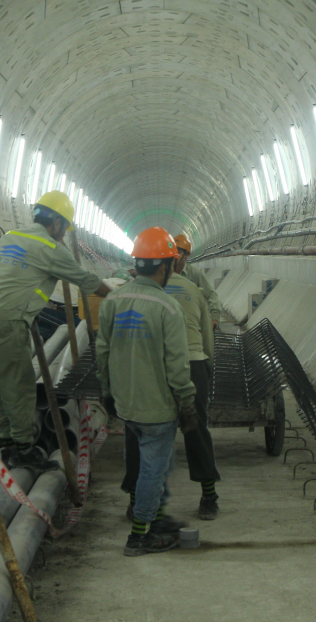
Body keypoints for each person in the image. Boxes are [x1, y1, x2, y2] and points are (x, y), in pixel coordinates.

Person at [0, 190, 111, 473]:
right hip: (9, 320)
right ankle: (24, 449)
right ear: (58, 224)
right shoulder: (51, 248)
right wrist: (117, 296)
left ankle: (6, 441)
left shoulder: (10, 236)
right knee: (19, 384)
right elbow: (86, 280)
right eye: (63, 230)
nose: (62, 236)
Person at [96, 227, 199, 557]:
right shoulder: (168, 308)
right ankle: (140, 535)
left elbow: (102, 351)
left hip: (126, 404)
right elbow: (178, 366)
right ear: (165, 266)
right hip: (157, 408)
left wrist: (108, 392)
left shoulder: (113, 300)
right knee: (154, 470)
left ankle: (154, 517)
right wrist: (187, 403)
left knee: (149, 464)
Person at [120, 269, 221, 521]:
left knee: (138, 432)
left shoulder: (128, 293)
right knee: (196, 430)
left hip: (148, 368)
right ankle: (208, 497)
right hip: (192, 364)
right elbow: (207, 338)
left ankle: (136, 501)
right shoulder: (191, 289)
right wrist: (206, 365)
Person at [173, 234, 221, 330]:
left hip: (192, 324)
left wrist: (214, 317)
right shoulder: (163, 274)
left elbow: (211, 295)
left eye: (178, 252)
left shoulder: (196, 274)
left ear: (186, 255)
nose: (175, 255)